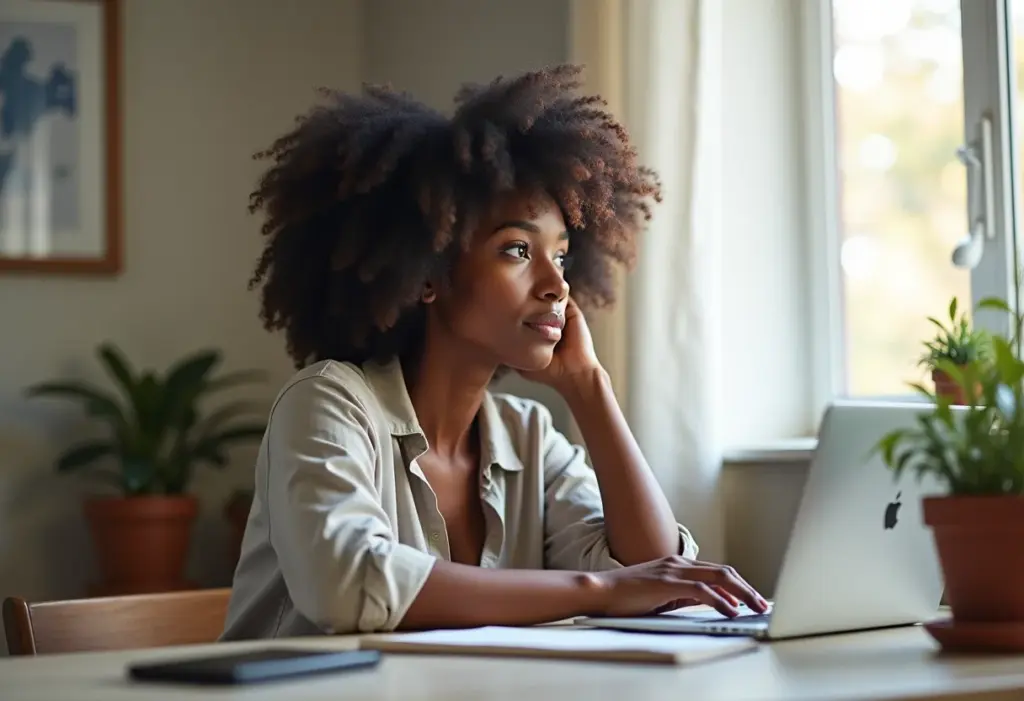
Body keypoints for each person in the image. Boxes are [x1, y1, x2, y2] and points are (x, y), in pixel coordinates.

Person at [220, 64, 768, 641]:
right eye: (517, 250)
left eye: (561, 256)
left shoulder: (528, 438)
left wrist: (590, 389)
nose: (557, 285)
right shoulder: (327, 403)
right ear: (428, 274)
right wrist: (600, 590)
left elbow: (654, 576)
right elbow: (349, 585)